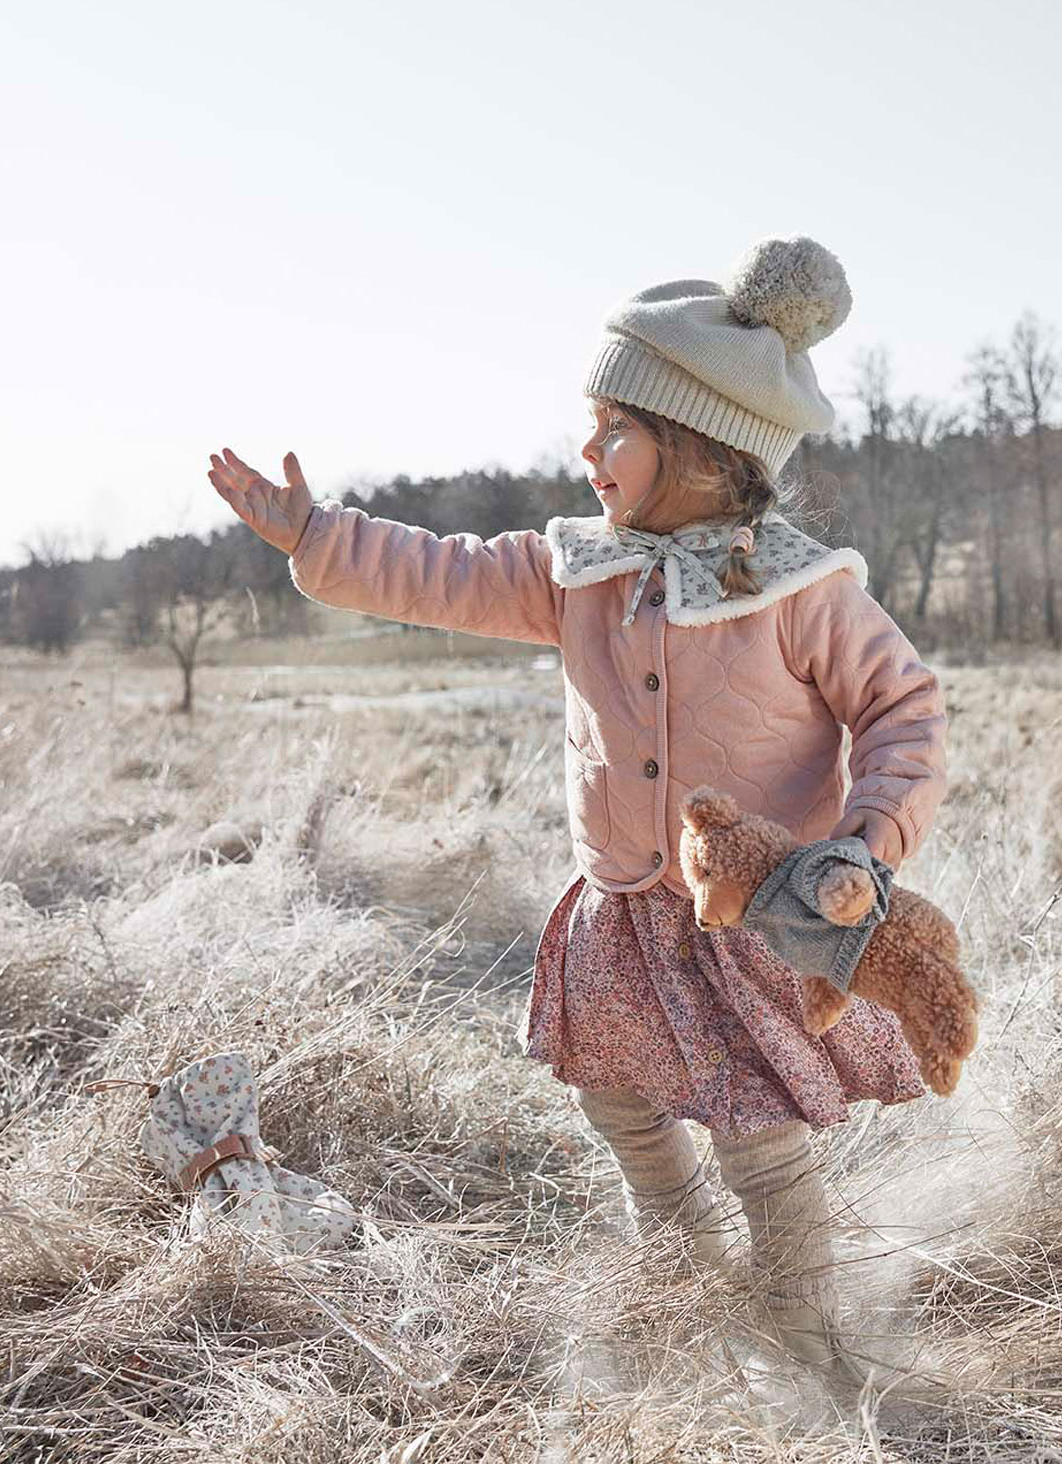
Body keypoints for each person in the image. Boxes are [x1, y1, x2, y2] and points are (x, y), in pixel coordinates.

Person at [207, 235, 948, 1384]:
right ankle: (682, 1285)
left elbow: (903, 708)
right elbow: (443, 570)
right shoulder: (576, 573)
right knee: (619, 1101)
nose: (586, 451)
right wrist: (317, 536)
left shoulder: (799, 592)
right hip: (622, 912)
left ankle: (806, 1350)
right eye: (589, 425)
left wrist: (865, 840)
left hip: (756, 919)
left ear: (699, 444)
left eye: (613, 430)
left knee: (756, 1142)